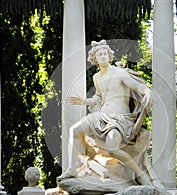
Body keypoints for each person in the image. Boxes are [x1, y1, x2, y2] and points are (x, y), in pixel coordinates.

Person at [58, 40, 154, 185]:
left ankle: (139, 173)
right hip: (101, 116)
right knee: (74, 130)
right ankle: (71, 169)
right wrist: (84, 101)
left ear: (109, 56)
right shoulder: (96, 77)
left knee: (112, 149)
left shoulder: (119, 73)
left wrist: (146, 91)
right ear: (94, 59)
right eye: (99, 54)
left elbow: (137, 86)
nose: (102, 57)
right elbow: (99, 97)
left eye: (105, 54)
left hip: (119, 118)